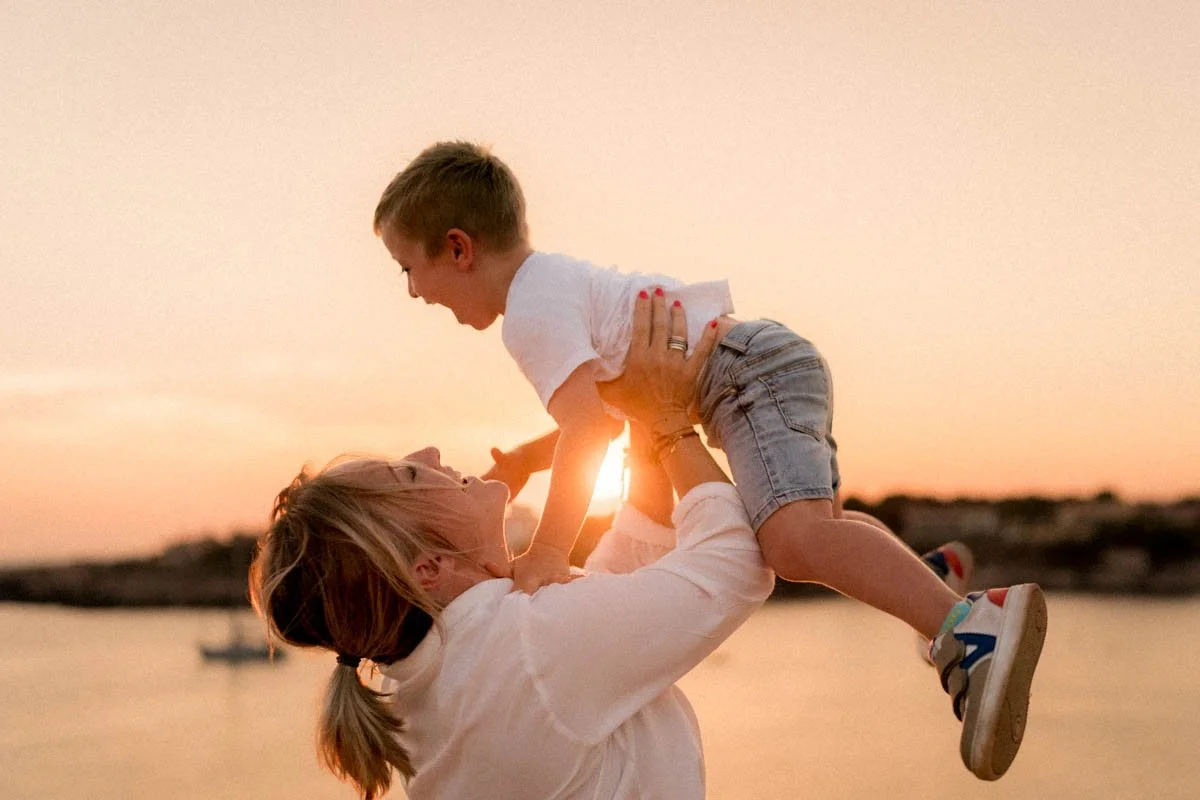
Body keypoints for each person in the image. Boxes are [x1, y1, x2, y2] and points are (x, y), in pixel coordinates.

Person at [372, 141, 1048, 780]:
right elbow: (604, 415)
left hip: (742, 376)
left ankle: (970, 626)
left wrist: (550, 550)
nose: (411, 292)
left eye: (409, 268)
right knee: (813, 530)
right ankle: (919, 583)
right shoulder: (548, 289)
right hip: (751, 367)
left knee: (790, 544)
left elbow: (589, 430)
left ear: (458, 248)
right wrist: (526, 457)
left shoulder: (529, 316)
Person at [249, 298, 776, 799]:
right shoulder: (527, 648)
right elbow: (735, 565)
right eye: (409, 473)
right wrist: (666, 420)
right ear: (428, 567)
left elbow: (622, 575)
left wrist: (640, 419)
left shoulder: (441, 669)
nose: (429, 451)